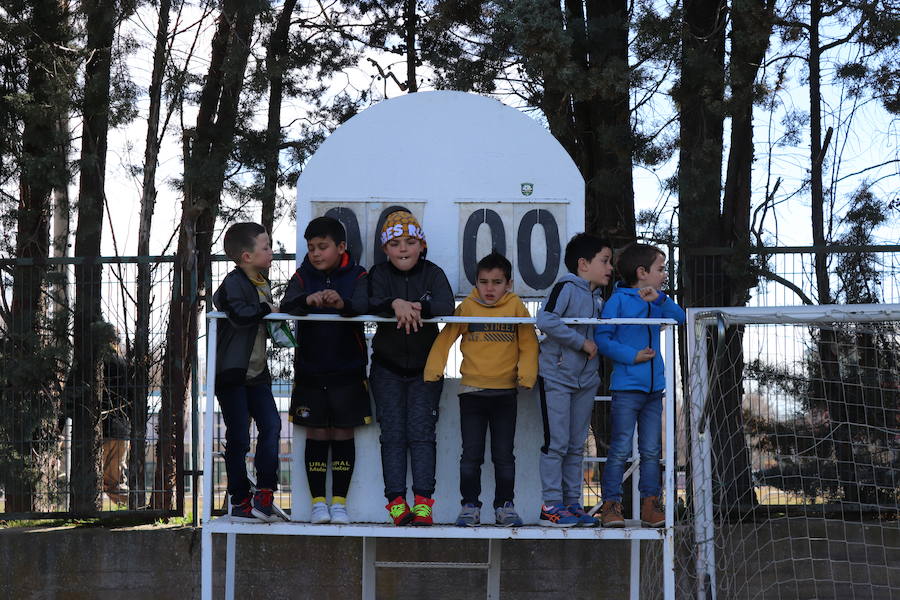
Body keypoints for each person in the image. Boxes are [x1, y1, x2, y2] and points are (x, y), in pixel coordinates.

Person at [424, 252, 538, 527]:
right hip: (472, 392)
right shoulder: (467, 308)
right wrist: (433, 370)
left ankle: (505, 507)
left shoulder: (516, 308)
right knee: (471, 455)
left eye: (496, 282)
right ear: (475, 282)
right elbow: (446, 337)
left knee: (504, 455)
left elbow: (529, 342)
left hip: (505, 393)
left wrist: (527, 375)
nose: (489, 288)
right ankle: (470, 506)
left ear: (508, 284)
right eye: (483, 281)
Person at [280, 216, 370, 525]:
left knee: (343, 432)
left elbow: (363, 305)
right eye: (311, 248)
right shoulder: (303, 275)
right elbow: (286, 304)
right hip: (310, 370)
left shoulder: (358, 274)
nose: (316, 253)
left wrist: (341, 303)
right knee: (317, 433)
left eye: (323, 247)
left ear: (341, 247)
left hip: (349, 370)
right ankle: (319, 504)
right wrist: (308, 300)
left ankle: (340, 504)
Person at [368, 210, 454, 526]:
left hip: (425, 369)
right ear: (384, 249)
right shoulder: (378, 274)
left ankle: (422, 503)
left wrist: (419, 307)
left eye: (410, 241)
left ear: (422, 245)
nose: (403, 249)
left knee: (422, 434)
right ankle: (395, 502)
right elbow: (366, 301)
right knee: (392, 435)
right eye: (395, 243)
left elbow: (447, 306)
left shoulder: (433, 273)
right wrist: (395, 304)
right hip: (387, 369)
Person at [594, 243, 685, 528]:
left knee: (651, 450)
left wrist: (659, 300)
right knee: (620, 447)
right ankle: (611, 505)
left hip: (653, 389)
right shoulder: (617, 301)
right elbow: (603, 338)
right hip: (626, 388)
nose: (664, 275)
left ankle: (650, 505)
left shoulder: (657, 300)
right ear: (642, 272)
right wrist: (631, 356)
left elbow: (680, 318)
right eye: (660, 269)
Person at [535, 233, 613, 527]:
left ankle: (572, 503)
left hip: (586, 382)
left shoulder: (598, 299)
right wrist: (581, 343)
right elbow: (546, 320)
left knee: (575, 443)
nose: (609, 268)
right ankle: (551, 506)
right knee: (556, 443)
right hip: (556, 377)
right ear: (583, 264)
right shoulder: (565, 287)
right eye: (604, 261)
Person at [212, 222, 282, 522]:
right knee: (239, 436)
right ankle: (239, 498)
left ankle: (265, 490)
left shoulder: (261, 280)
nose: (271, 252)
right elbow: (239, 314)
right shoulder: (232, 283)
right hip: (232, 373)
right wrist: (267, 309)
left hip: (257, 374)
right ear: (245, 256)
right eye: (265, 247)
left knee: (272, 425)